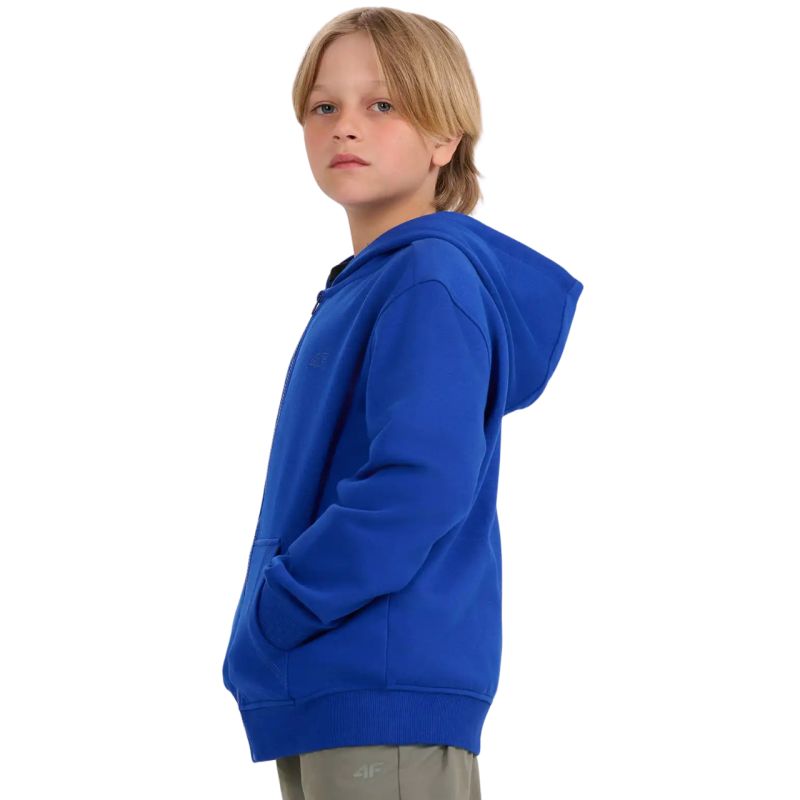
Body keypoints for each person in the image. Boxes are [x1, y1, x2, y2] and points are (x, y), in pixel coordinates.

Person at [221, 7, 584, 798]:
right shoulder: (377, 282)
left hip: (375, 688)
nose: (346, 125)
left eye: (382, 104)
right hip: (336, 681)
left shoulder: (426, 279)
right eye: (325, 105)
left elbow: (419, 483)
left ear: (445, 137)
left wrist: (285, 603)